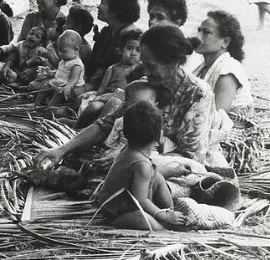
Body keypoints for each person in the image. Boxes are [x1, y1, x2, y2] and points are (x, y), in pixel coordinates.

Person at [36, 25, 218, 170]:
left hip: (174, 166)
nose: (145, 72)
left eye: (152, 66)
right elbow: (106, 124)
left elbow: (191, 156)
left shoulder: (198, 94)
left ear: (174, 62)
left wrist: (131, 157)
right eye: (143, 64)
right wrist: (62, 150)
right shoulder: (146, 86)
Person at [94, 100, 186, 231]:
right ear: (159, 135)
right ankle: (164, 226)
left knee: (158, 178)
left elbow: (149, 174)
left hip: (131, 203)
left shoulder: (130, 151)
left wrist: (174, 171)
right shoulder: (141, 164)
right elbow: (140, 200)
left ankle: (170, 215)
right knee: (143, 219)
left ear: (125, 133)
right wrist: (163, 216)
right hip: (117, 214)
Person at [76, 27, 142, 127]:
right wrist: (98, 97)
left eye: (138, 50)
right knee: (94, 106)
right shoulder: (113, 68)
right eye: (129, 48)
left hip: (122, 102)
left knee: (114, 103)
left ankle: (96, 128)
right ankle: (78, 126)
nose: (133, 53)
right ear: (121, 50)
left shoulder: (140, 71)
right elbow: (101, 90)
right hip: (106, 97)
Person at [192, 10, 253, 117]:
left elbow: (216, 116)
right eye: (199, 31)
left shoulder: (228, 70)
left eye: (206, 32)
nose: (197, 37)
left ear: (225, 42)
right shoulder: (202, 67)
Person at [84, 0, 141, 92]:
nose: (98, 7)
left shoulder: (132, 39)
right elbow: (93, 64)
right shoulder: (106, 32)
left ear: (115, 10)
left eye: (103, 3)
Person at [30, 30, 84, 106]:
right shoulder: (64, 60)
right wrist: (49, 73)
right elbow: (60, 73)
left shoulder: (76, 64)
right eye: (59, 50)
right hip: (59, 83)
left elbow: (74, 79)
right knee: (45, 87)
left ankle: (50, 108)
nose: (59, 54)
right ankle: (38, 105)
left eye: (63, 51)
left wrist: (68, 87)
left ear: (76, 50)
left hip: (68, 87)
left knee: (58, 93)